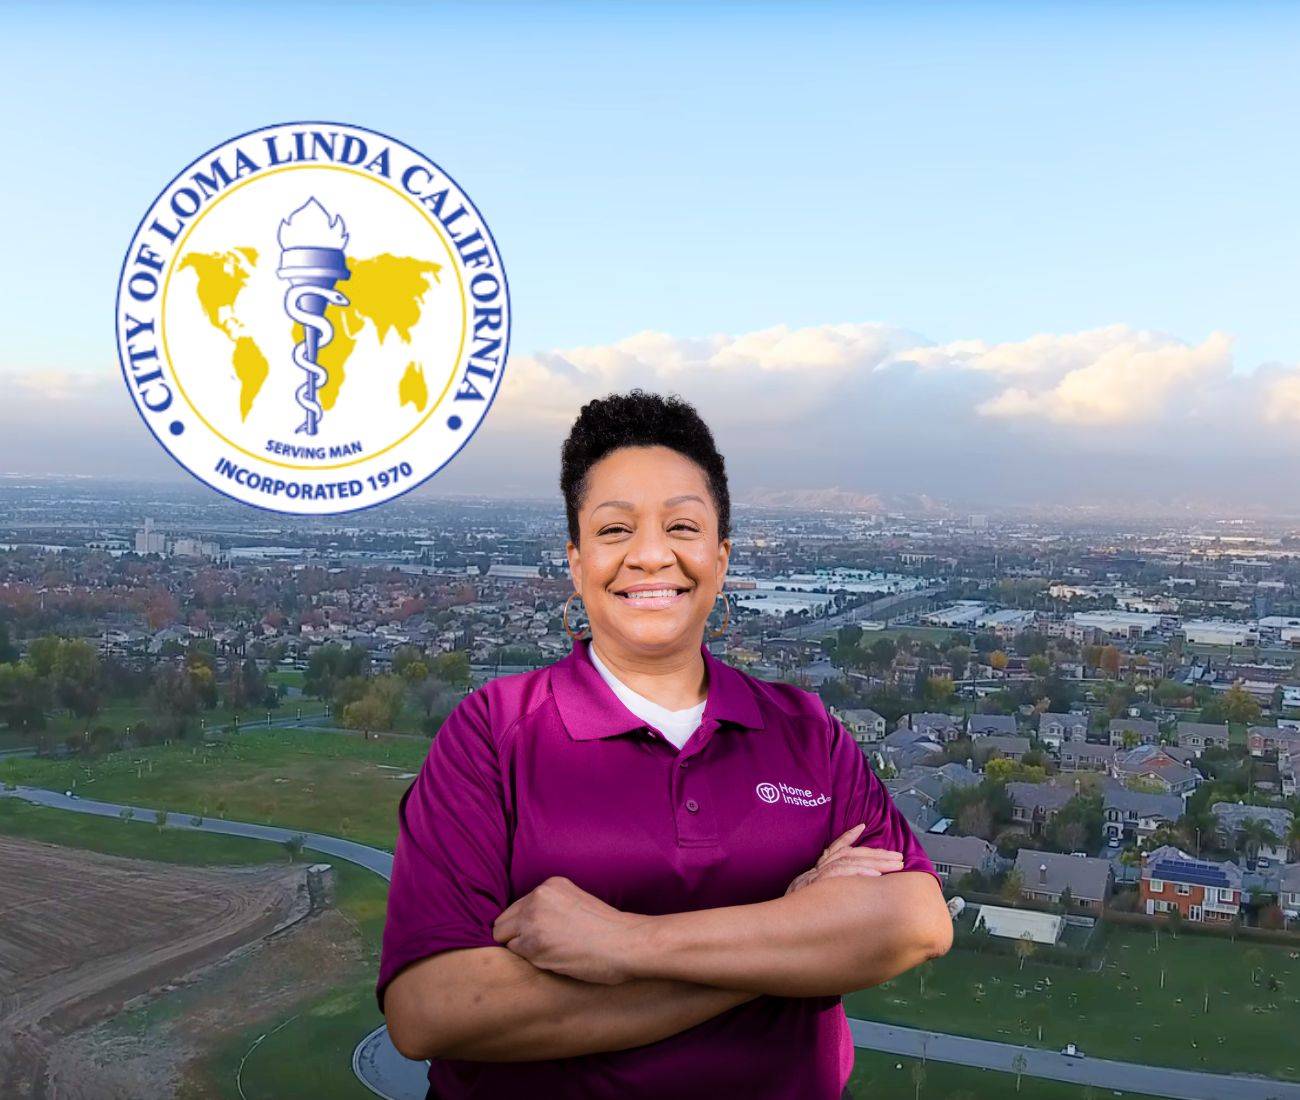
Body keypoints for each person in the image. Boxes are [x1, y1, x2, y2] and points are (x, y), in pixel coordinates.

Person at [377, 390, 951, 1099]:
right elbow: (430, 1008)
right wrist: (792, 941)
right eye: (615, 531)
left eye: (682, 525)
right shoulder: (494, 733)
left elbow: (917, 921)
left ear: (721, 556)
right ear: (577, 561)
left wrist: (624, 944)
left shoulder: (807, 732)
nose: (652, 555)